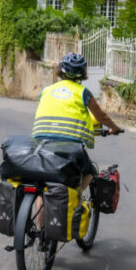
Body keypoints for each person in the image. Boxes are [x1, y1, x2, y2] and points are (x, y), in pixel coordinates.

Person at [32, 52, 122, 192]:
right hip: (69, 144)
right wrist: (115, 128)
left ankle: (41, 213)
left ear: (60, 69)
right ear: (82, 74)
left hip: (41, 141)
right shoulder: (83, 92)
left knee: (43, 183)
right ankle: (75, 202)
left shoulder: (46, 91)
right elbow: (101, 117)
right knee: (89, 172)